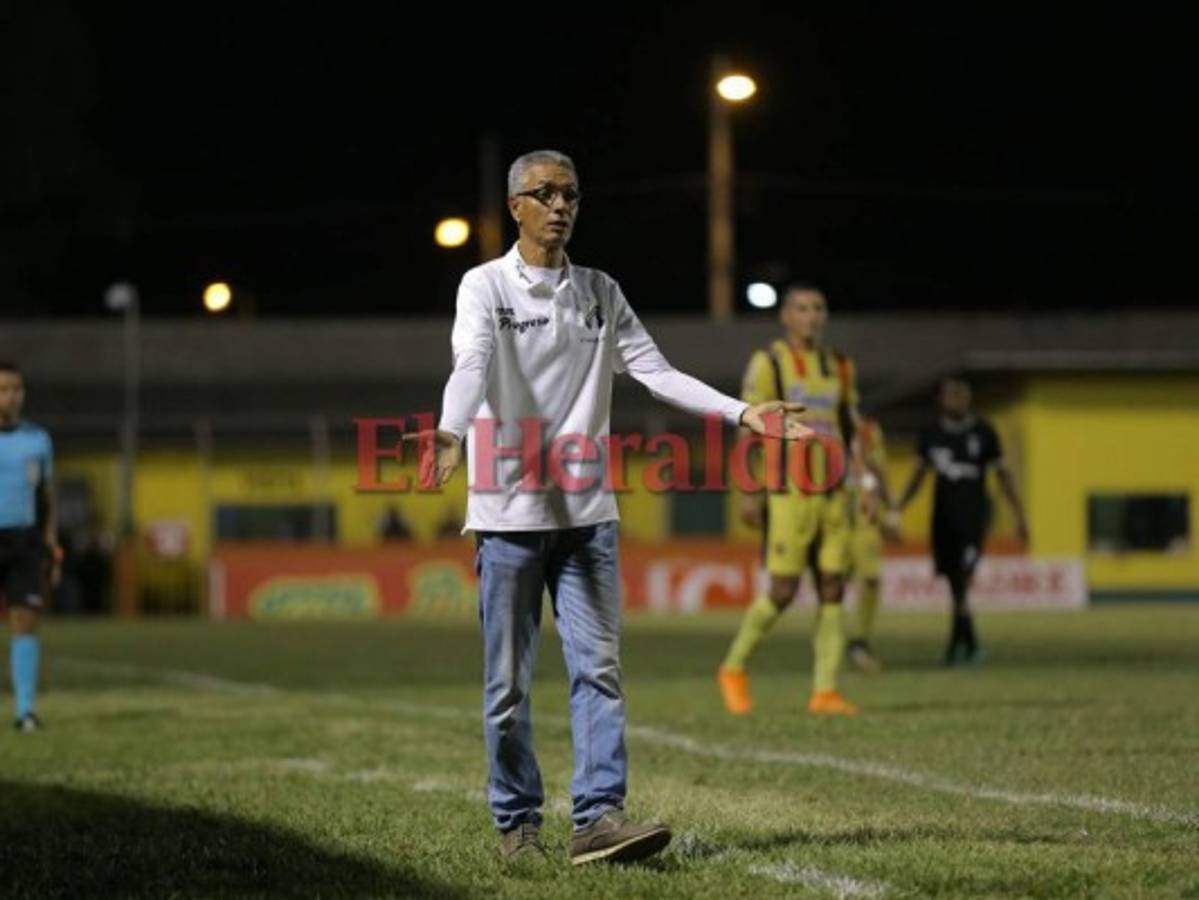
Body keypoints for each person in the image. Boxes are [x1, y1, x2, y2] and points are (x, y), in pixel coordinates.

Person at [408, 150, 809, 865]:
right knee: (507, 686)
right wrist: (449, 430)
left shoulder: (598, 290)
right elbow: (468, 364)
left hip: (588, 519)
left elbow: (653, 370)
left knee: (599, 672)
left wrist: (742, 413)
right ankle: (517, 825)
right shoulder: (485, 286)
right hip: (508, 520)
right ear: (515, 207)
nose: (559, 205)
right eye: (543, 193)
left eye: (569, 193)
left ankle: (597, 820)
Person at [718, 285, 880, 717]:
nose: (811, 316)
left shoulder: (840, 365)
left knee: (833, 587)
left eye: (818, 309)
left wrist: (866, 485)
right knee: (784, 591)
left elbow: (851, 425)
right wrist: (749, 490)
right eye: (802, 309)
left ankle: (824, 691)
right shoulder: (769, 362)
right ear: (786, 317)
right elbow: (748, 425)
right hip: (790, 491)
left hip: (836, 491)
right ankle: (734, 668)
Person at [892, 376, 1029, 664]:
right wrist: (898, 507)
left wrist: (1019, 514)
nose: (956, 399)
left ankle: (959, 648)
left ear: (969, 398)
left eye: (961, 394)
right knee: (955, 584)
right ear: (941, 400)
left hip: (973, 517)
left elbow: (1003, 476)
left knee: (961, 581)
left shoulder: (984, 432)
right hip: (942, 519)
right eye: (950, 394)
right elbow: (918, 476)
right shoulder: (931, 434)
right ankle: (965, 646)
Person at [0, 361, 60, 732]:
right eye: (3, 388)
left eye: (16, 388)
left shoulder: (38, 439)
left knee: (24, 621)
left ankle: (25, 711)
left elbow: (48, 496)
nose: (11, 396)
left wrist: (51, 544)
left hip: (24, 541)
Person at [845, 416, 895, 673]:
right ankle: (830, 647)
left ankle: (859, 642)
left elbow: (877, 468)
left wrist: (891, 508)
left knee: (871, 578)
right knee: (830, 582)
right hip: (829, 513)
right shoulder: (813, 422)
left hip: (865, 512)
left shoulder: (867, 430)